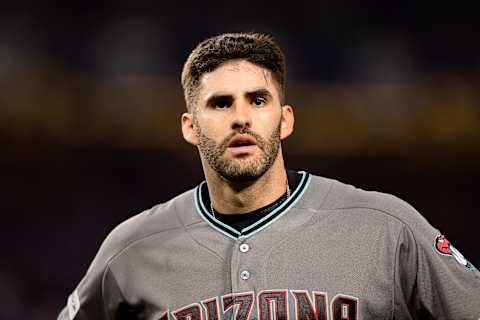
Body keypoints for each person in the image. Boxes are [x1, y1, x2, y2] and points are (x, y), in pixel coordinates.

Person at [58, 32, 480, 320]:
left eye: (258, 100)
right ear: (190, 126)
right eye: (221, 104)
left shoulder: (387, 228)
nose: (241, 118)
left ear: (285, 119)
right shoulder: (131, 250)